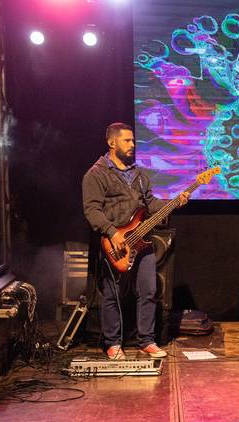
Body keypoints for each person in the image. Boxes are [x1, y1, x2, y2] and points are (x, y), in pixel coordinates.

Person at [82, 122, 188, 360]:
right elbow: (91, 210)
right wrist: (112, 232)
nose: (132, 144)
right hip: (115, 243)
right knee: (112, 294)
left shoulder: (139, 175)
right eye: (127, 140)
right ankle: (112, 343)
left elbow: (150, 204)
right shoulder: (95, 174)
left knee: (149, 291)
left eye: (133, 140)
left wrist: (174, 202)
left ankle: (147, 341)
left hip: (141, 242)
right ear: (112, 143)